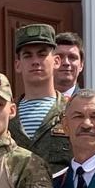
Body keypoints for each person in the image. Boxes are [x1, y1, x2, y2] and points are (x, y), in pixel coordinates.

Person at [9, 24, 70, 169]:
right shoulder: (6, 115)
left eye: (42, 54)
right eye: (27, 55)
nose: (35, 61)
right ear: (18, 65)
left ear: (56, 61)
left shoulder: (72, 111)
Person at [54, 32, 85, 99]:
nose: (66, 62)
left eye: (72, 57)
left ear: (81, 65)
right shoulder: (34, 101)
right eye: (59, 57)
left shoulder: (91, 103)